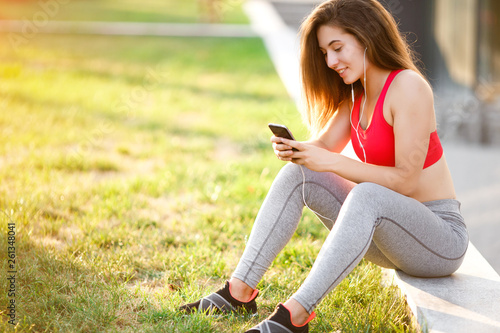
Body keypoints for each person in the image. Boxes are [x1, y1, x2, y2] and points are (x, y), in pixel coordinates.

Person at [179, 0, 469, 332]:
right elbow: (323, 148)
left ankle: (294, 317)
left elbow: (404, 182)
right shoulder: (356, 96)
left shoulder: (408, 88)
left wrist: (333, 162)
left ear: (367, 37)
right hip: (390, 237)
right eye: (324, 52)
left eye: (337, 48)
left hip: (439, 240)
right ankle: (239, 292)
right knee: (299, 174)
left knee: (368, 194)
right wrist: (298, 150)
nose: (330, 62)